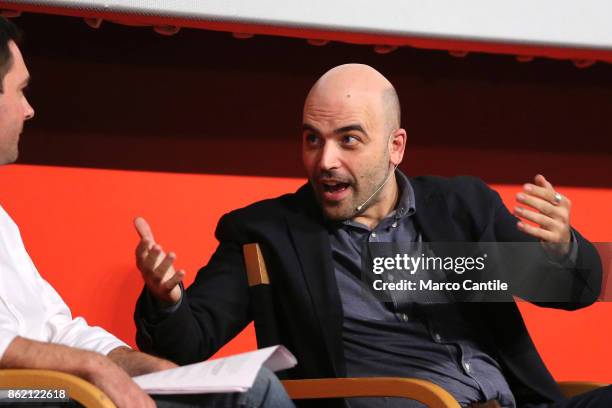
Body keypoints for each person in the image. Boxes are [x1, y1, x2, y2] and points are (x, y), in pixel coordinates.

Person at [134, 63, 608, 408]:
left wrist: (562, 251)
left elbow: (567, 293)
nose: (325, 161)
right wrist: (167, 299)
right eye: (312, 138)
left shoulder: (462, 207)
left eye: (349, 139)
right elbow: (185, 345)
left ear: (394, 146)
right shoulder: (268, 232)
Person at [0, 17, 293, 408]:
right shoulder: (270, 225)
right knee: (252, 396)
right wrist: (93, 368)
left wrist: (145, 366)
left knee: (241, 388)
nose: (30, 109)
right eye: (20, 91)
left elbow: (57, 328)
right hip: (25, 394)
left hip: (51, 389)